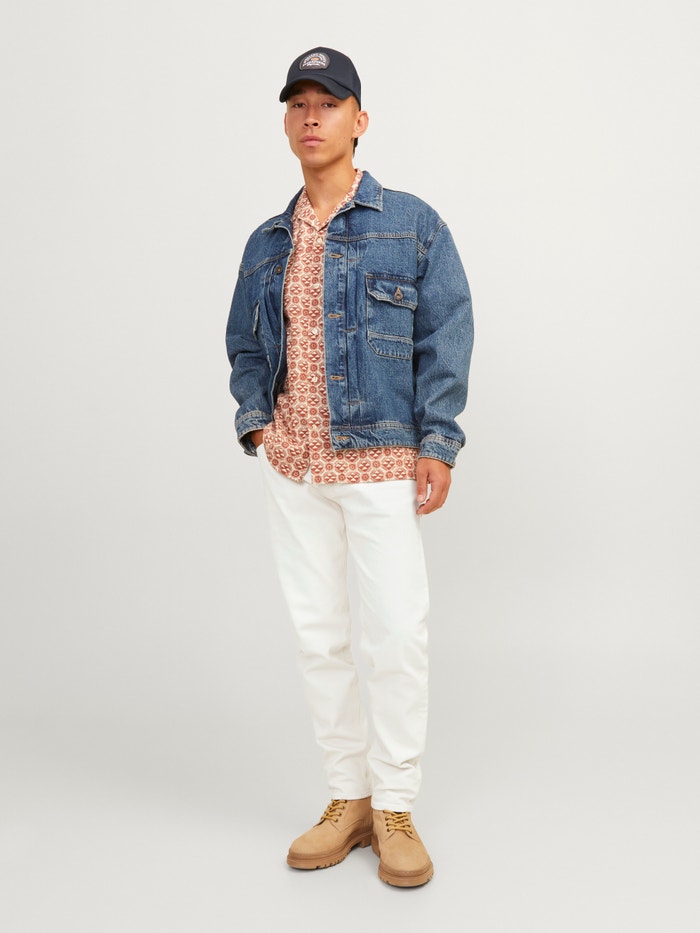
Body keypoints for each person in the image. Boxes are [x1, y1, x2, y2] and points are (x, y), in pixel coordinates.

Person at [225, 46, 474, 888]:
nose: (311, 117)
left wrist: (438, 441)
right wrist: (260, 426)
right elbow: (244, 344)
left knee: (396, 632)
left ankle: (395, 802)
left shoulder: (411, 224)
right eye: (298, 103)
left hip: (379, 460)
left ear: (358, 120)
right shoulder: (266, 241)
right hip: (294, 465)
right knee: (319, 637)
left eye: (327, 104)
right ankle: (349, 797)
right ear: (286, 121)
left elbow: (447, 333)